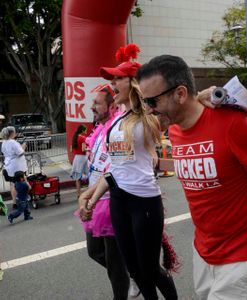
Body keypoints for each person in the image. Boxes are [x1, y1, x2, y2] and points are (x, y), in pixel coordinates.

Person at [136, 54, 247, 299]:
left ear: (180, 94)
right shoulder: (176, 130)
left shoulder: (236, 124)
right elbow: (201, 161)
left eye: (152, 100)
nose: (148, 108)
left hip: (245, 253)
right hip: (204, 253)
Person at [80, 44, 178, 300]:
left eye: (119, 78)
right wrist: (91, 198)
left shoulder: (149, 115)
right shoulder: (117, 122)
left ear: (134, 83)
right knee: (134, 269)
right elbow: (115, 169)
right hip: (118, 200)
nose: (113, 83)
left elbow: (180, 110)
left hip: (144, 201)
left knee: (149, 269)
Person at [77, 83, 133, 300]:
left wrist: (89, 195)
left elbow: (115, 170)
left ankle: (125, 286)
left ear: (111, 107)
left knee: (115, 265)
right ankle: (133, 272)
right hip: (95, 199)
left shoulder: (118, 130)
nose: (91, 107)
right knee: (95, 252)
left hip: (111, 201)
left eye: (96, 103)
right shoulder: (99, 131)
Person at [1, 126, 28, 208]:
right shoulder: (13, 142)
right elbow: (20, 153)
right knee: (22, 182)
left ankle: (14, 202)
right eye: (15, 132)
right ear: (12, 133)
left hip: (9, 166)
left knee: (13, 184)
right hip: (18, 166)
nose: (16, 133)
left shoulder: (4, 142)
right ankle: (23, 199)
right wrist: (23, 146)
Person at [71, 124, 89, 198]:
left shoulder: (74, 137)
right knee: (89, 175)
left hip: (76, 158)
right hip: (83, 157)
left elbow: (71, 149)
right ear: (82, 130)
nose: (86, 131)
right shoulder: (83, 138)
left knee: (77, 178)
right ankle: (89, 192)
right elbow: (83, 149)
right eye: (85, 130)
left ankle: (79, 194)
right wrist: (89, 149)